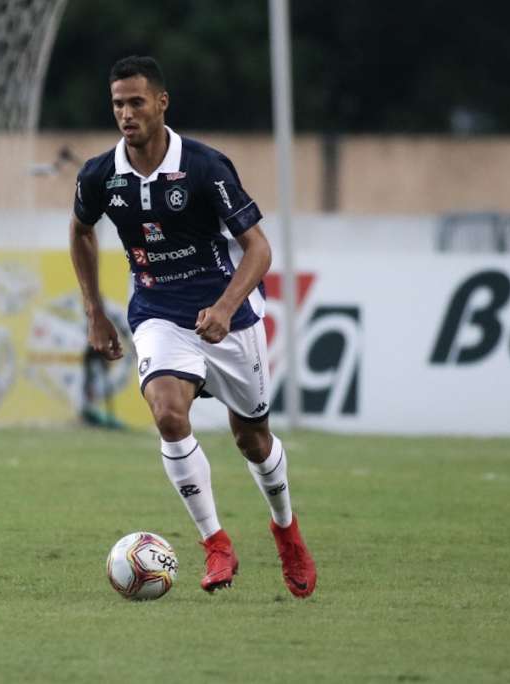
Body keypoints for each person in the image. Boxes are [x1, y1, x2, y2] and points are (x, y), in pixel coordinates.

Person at [68, 55, 316, 598]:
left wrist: (225, 307)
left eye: (136, 102)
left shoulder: (205, 167)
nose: (126, 114)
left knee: (252, 439)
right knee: (167, 414)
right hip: (158, 313)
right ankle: (215, 543)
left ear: (161, 103)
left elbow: (258, 248)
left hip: (229, 318)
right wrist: (95, 311)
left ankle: (286, 531)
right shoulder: (100, 175)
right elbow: (81, 231)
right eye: (117, 104)